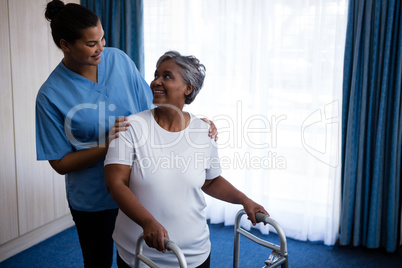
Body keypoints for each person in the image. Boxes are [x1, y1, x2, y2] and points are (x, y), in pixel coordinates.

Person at [35, 1, 217, 267]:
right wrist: (107, 144)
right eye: (91, 44)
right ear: (66, 45)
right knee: (97, 261)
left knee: (138, 257)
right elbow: (59, 163)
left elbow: (154, 107)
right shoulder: (50, 95)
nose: (101, 48)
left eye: (102, 38)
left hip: (140, 189)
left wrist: (191, 121)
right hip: (94, 199)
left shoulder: (118, 59)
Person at [104, 51, 268, 268]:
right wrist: (148, 222)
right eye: (156, 75)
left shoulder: (204, 131)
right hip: (141, 252)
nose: (156, 81)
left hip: (194, 253)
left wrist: (244, 200)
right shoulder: (129, 127)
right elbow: (115, 183)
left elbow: (210, 181)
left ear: (188, 88)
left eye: (167, 76)